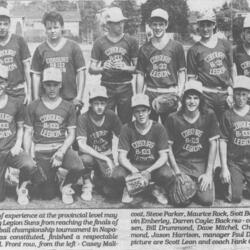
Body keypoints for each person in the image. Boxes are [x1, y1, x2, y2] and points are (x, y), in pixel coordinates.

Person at [24, 68, 84, 204]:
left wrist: (61, 152)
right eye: (48, 84)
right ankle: (55, 176)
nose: (52, 88)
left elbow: (71, 134)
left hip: (60, 148)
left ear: (60, 85)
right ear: (43, 85)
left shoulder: (68, 106)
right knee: (47, 194)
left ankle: (66, 185)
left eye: (55, 85)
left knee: (79, 166)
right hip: (41, 150)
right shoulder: (33, 105)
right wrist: (29, 155)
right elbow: (28, 133)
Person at [165, 80, 220, 206]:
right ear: (183, 99)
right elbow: (168, 147)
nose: (192, 101)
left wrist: (208, 173)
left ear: (201, 100)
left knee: (206, 200)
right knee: (181, 201)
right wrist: (177, 172)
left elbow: (213, 144)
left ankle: (204, 182)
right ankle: (180, 186)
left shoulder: (209, 115)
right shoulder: (173, 118)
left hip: (200, 163)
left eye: (196, 98)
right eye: (188, 98)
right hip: (181, 163)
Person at [0, 64, 45, 205]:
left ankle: (22, 188)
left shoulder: (15, 103)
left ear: (6, 83)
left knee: (29, 164)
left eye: (1, 82)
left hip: (11, 150)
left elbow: (20, 128)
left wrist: (18, 144)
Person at [116, 93, 172, 205]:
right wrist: (133, 170)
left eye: (144, 110)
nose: (141, 114)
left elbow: (164, 157)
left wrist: (149, 171)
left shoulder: (159, 128)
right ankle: (128, 188)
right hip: (135, 165)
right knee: (116, 175)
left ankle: (155, 188)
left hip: (152, 166)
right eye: (137, 111)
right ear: (133, 113)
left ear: (149, 111)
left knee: (167, 174)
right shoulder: (127, 128)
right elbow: (121, 157)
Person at [89, 7, 139, 124]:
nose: (120, 25)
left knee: (125, 124)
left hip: (125, 87)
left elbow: (138, 69)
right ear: (108, 25)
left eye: (122, 22)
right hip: (107, 87)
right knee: (105, 123)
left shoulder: (131, 41)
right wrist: (103, 67)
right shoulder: (99, 42)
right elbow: (91, 69)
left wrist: (125, 67)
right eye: (117, 23)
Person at [136, 8, 186, 124]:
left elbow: (182, 72)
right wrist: (139, 96)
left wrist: (179, 94)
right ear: (150, 25)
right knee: (149, 131)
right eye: (155, 24)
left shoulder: (176, 46)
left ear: (166, 25)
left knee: (170, 133)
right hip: (151, 92)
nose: (158, 28)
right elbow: (140, 75)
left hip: (170, 93)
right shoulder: (144, 49)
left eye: (161, 24)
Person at [31, 11, 86, 109]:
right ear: (45, 30)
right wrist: (35, 98)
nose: (52, 31)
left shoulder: (73, 47)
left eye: (55, 27)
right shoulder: (40, 49)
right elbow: (36, 75)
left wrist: (79, 97)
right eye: (49, 28)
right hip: (47, 100)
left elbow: (81, 72)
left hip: (69, 99)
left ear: (62, 27)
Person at [187, 10, 234, 121]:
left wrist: (233, 90)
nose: (205, 29)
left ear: (214, 25)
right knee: (207, 129)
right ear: (198, 26)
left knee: (226, 127)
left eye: (208, 25)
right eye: (202, 25)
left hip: (224, 94)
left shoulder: (225, 44)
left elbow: (232, 69)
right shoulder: (193, 50)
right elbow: (191, 78)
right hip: (206, 94)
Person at [77, 86, 122, 201]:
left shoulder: (111, 115)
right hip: (91, 155)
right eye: (96, 103)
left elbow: (122, 137)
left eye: (102, 103)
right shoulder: (83, 118)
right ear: (90, 104)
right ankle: (87, 184)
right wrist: (105, 159)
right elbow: (82, 146)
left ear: (106, 104)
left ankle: (98, 177)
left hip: (106, 154)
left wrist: (119, 160)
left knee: (112, 191)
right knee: (84, 159)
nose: (99, 107)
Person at [219, 76, 250, 203]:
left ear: (248, 95)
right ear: (233, 95)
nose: (241, 98)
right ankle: (220, 176)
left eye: (244, 94)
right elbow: (222, 141)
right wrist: (224, 167)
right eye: (238, 94)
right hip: (235, 162)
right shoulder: (227, 115)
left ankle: (243, 182)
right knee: (235, 198)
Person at [0, 7, 32, 104]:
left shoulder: (19, 40)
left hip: (18, 91)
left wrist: (29, 93)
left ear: (9, 25)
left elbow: (27, 68)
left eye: (5, 24)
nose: (2, 27)